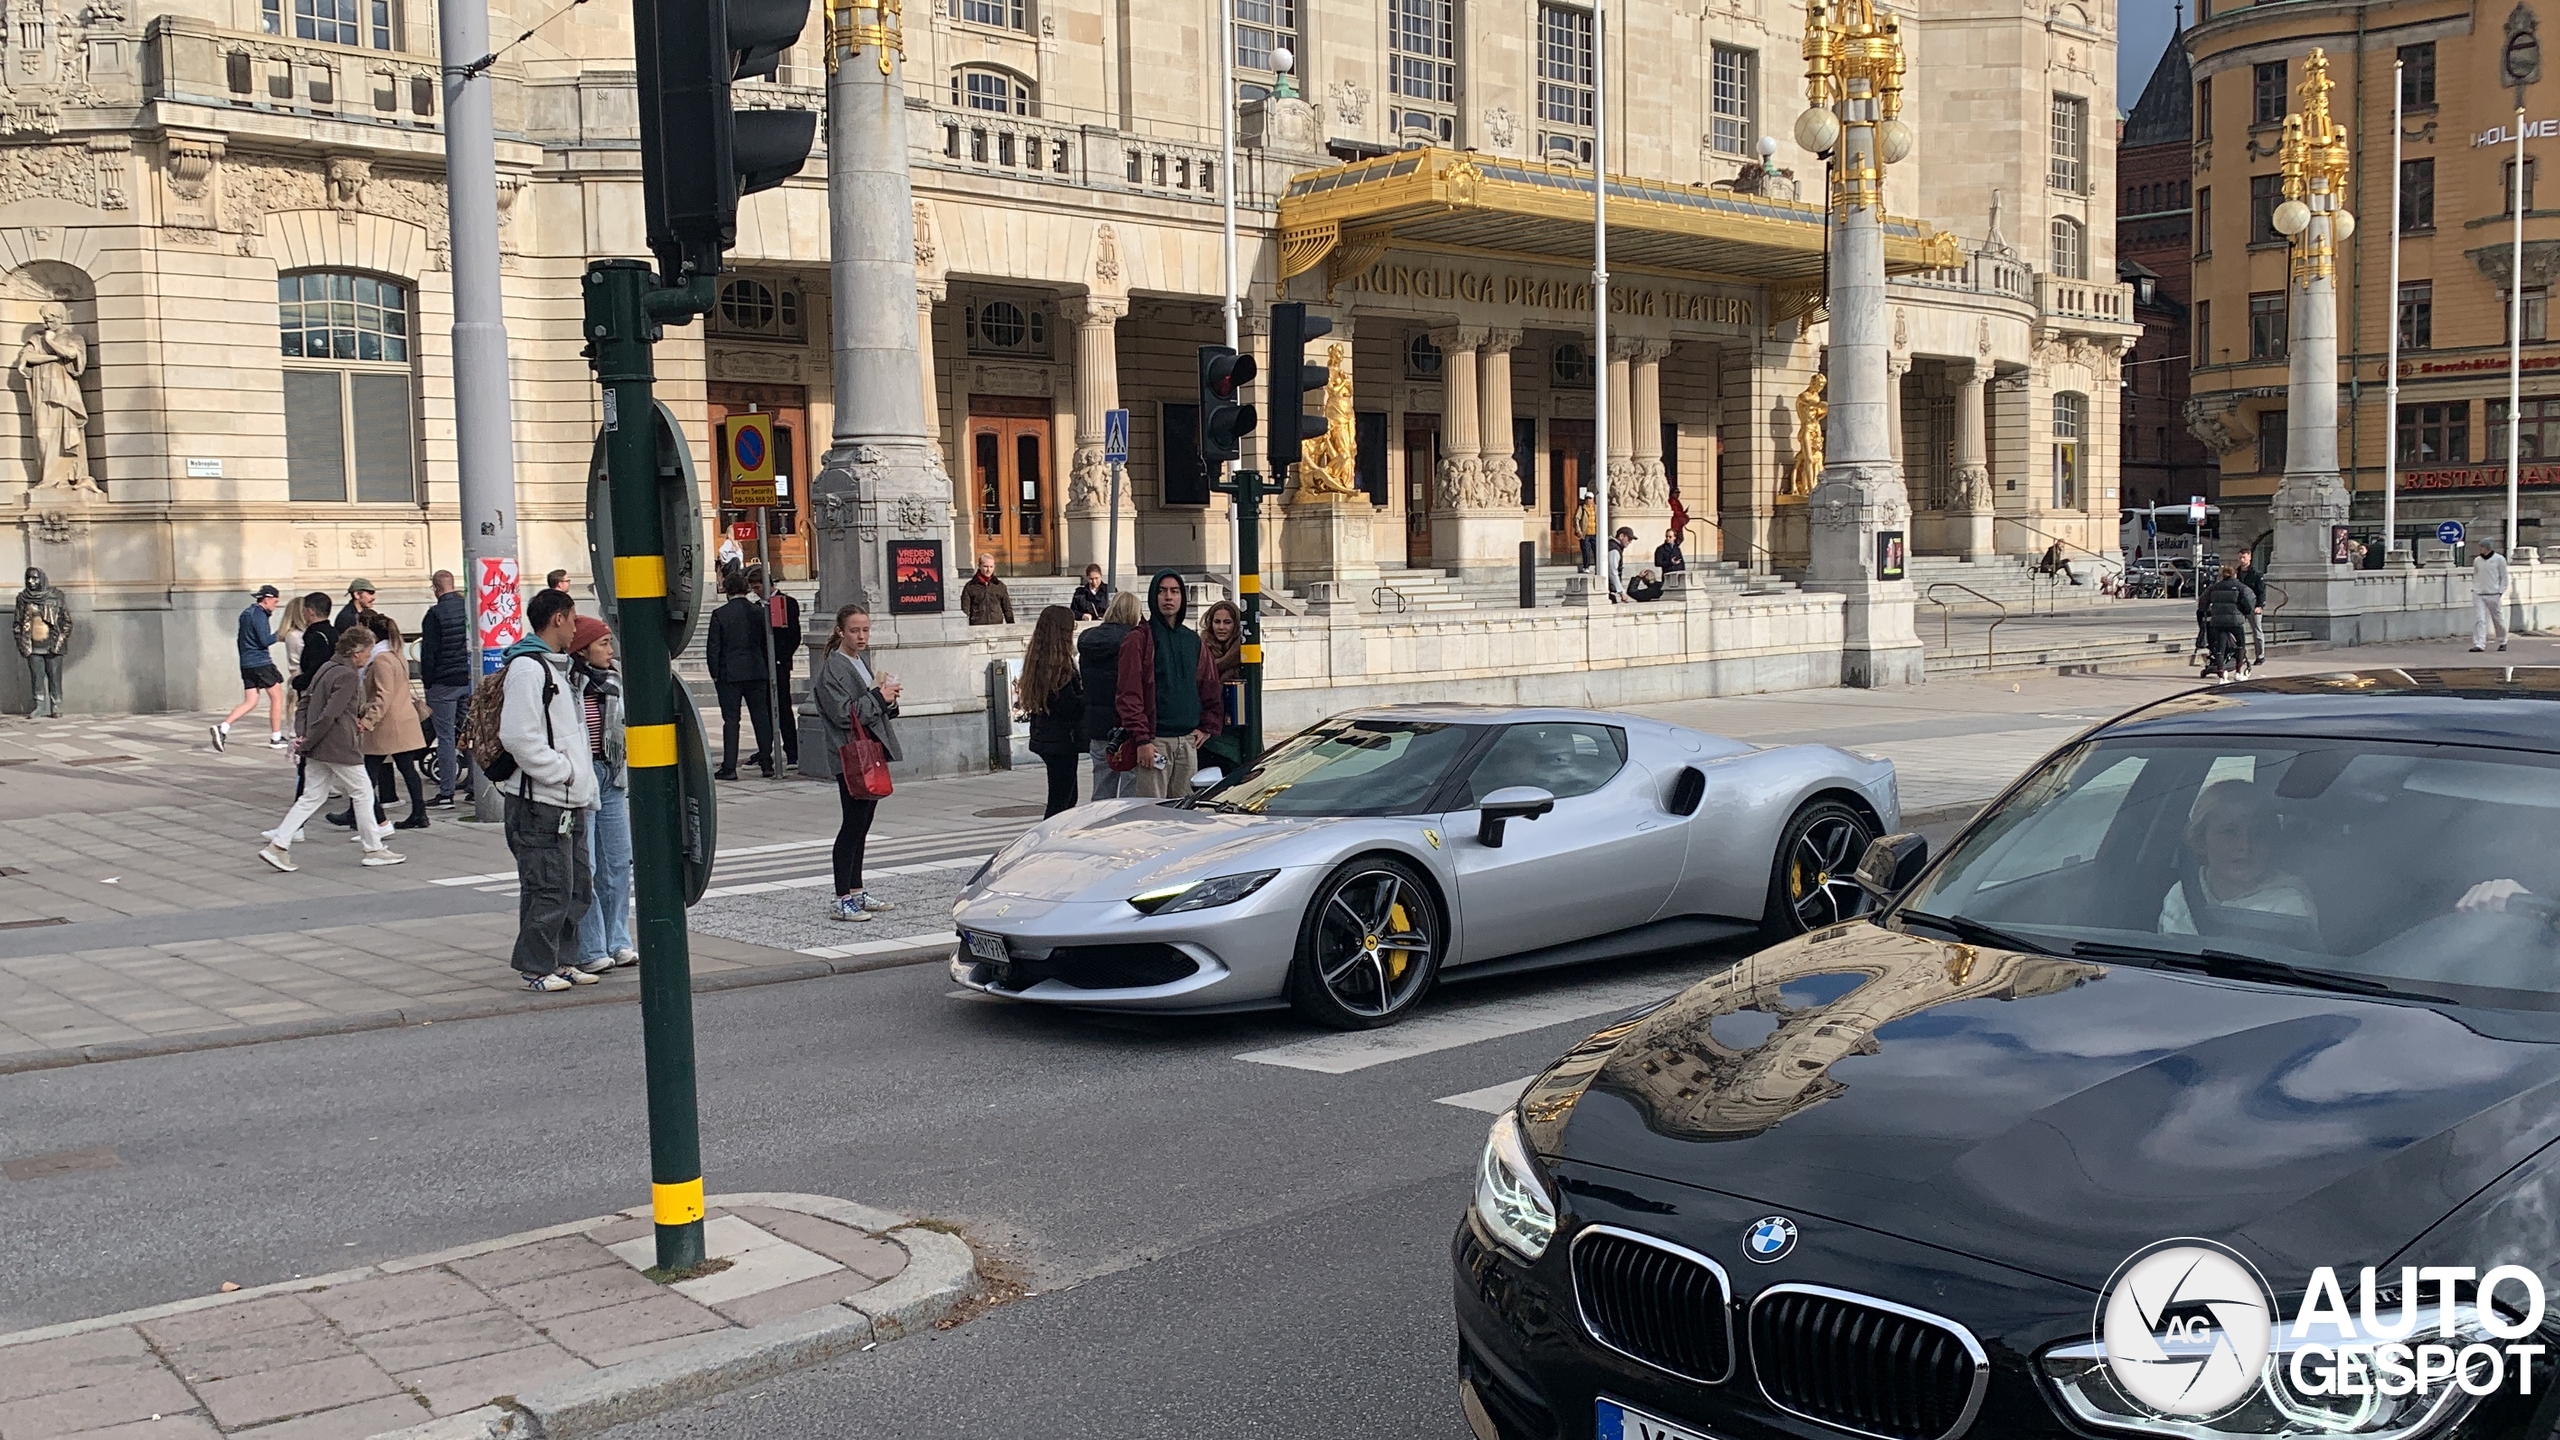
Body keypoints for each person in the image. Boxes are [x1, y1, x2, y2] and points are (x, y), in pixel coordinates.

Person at [498, 587, 601, 992]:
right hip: (539, 800)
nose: (576, 626)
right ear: (557, 618)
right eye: (573, 618)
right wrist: (564, 772)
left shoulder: (556, 667)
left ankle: (563, 960)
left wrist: (577, 781)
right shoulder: (529, 669)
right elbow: (520, 736)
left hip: (566, 799)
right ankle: (536, 967)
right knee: (548, 886)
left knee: (576, 885)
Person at [258, 626, 404, 872]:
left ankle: (279, 845)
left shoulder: (327, 667)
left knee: (311, 796)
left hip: (320, 747)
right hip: (339, 746)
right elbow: (330, 715)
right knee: (363, 793)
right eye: (367, 652)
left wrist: (303, 734)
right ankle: (373, 848)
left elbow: (306, 701)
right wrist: (309, 741)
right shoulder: (346, 676)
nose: (369, 657)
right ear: (356, 652)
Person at [810, 604, 902, 923]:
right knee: (852, 825)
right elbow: (844, 713)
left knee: (863, 825)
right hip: (850, 754)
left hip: (867, 752)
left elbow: (868, 707)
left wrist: (887, 699)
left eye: (865, 630)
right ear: (840, 631)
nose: (861, 636)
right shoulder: (834, 668)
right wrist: (879, 697)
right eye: (854, 630)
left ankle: (857, 890)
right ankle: (841, 898)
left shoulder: (859, 661)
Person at [1115, 569, 1224, 798]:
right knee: (1152, 814)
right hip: (1155, 742)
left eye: (1174, 591)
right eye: (1162, 591)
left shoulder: (1192, 640)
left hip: (1188, 743)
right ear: (1154, 596)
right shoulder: (1139, 639)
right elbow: (1129, 693)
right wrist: (1143, 739)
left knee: (1184, 813)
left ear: (1182, 597)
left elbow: (1209, 687)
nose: (1168, 597)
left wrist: (1207, 727)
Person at [2158, 780, 2316, 936]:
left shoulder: (2289, 908)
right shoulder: (2182, 893)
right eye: (2230, 832)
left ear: (2272, 843)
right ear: (2200, 840)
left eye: (2258, 834)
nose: (2244, 845)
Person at [569, 615, 636, 974]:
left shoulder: (613, 681)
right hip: (582, 775)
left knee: (618, 861)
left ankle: (619, 939)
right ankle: (591, 945)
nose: (610, 651)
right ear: (583, 649)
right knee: (588, 865)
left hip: (612, 774)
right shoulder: (568, 683)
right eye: (603, 644)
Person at [354, 612, 431, 831]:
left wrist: (368, 720)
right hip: (400, 720)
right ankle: (418, 813)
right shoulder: (395, 653)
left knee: (368, 772)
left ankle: (370, 817)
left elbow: (383, 695)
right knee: (405, 768)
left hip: (388, 724)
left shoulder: (381, 659)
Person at [705, 570, 775, 779]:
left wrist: (715, 673)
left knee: (731, 720)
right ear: (746, 589)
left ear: (727, 590)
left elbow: (713, 647)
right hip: (756, 670)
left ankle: (729, 767)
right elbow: (766, 643)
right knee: (761, 717)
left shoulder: (720, 614)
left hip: (730, 673)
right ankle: (766, 763)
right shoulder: (758, 611)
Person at [1079, 590, 1144, 802]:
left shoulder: (1088, 640)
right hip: (1125, 725)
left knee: (1102, 787)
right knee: (1130, 789)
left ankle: (1100, 829)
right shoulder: (1132, 641)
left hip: (1097, 725)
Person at [1020, 605, 1084, 818]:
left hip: (1048, 736)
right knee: (1061, 799)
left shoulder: (1041, 658)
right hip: (1060, 739)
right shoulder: (1058, 664)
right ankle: (1049, 841)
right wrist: (1088, 695)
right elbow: (1068, 706)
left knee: (1066, 795)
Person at [418, 570, 474, 808]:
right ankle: (474, 785)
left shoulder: (434, 615)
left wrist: (427, 682)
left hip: (443, 683)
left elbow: (428, 653)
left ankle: (446, 793)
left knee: (446, 737)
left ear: (435, 588)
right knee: (469, 733)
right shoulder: (468, 609)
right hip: (467, 679)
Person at [213, 585, 288, 751]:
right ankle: (276, 737)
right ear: (267, 600)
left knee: (251, 701)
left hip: (246, 663)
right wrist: (282, 633)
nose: (275, 606)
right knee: (277, 697)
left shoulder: (246, 613)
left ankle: (223, 727)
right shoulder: (259, 615)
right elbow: (264, 641)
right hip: (260, 662)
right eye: (275, 602)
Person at [752, 566, 802, 771]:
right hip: (761, 666)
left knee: (783, 708)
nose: (755, 591)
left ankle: (792, 752)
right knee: (763, 710)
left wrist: (781, 658)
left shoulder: (787, 603)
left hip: (779, 664)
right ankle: (765, 753)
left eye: (757, 587)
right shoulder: (755, 607)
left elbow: (794, 635)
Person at [1197, 599, 1246, 775]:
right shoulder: (1201, 650)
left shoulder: (1246, 653)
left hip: (1239, 730)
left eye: (1227, 622)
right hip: (1209, 733)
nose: (1221, 627)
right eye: (1217, 622)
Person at [13, 567, 69, 718]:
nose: (31, 582)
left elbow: (66, 622)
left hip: (52, 645)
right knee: (36, 677)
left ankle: (56, 706)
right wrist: (21, 643)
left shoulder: (56, 596)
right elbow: (17, 623)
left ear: (42, 579)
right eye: (29, 578)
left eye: (35, 578)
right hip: (32, 646)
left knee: (54, 677)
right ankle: (39, 706)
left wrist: (59, 641)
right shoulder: (22, 598)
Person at [2197, 564, 2254, 681]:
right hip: (2235, 620)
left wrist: (2208, 611)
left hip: (2218, 621)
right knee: (2240, 644)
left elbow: (2203, 602)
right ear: (2235, 574)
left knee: (2220, 647)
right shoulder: (2240, 587)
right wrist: (2244, 612)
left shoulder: (2215, 587)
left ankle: (2221, 673)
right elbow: (2249, 602)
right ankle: (2238, 671)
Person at [2473, 542, 2511, 653]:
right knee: (2479, 620)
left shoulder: (2499, 559)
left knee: (2497, 619)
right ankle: (2479, 644)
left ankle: (2502, 640)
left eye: (2482, 546)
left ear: (2488, 548)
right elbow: (2476, 574)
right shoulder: (2477, 560)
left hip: (2493, 593)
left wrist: (2500, 591)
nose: (2480, 549)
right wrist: (2475, 588)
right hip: (2478, 593)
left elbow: (2504, 577)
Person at [961, 553, 1015, 625]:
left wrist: (1011, 626)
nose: (988, 570)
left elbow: (1007, 609)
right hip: (977, 627)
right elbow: (965, 610)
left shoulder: (1000, 586)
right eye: (986, 566)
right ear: (979, 566)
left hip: (997, 626)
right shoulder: (970, 587)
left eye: (991, 567)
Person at [2234, 551, 2268, 665]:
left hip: (2253, 606)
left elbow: (2261, 591)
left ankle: (2260, 656)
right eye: (2240, 557)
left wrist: (2260, 605)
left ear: (2249, 558)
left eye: (2244, 557)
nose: (2241, 560)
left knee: (2257, 631)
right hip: (2239, 606)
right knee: (2236, 630)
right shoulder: (2236, 573)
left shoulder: (2256, 574)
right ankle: (2239, 655)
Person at [1606, 527, 1635, 601]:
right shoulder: (1614, 550)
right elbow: (1613, 572)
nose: (1630, 542)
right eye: (1629, 539)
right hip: (1608, 590)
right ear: (1621, 536)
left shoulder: (1613, 547)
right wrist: (1621, 592)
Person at [1572, 490, 1598, 572]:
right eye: (1587, 498)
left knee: (1596, 551)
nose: (1588, 500)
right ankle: (1586, 566)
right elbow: (1577, 519)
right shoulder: (1582, 508)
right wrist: (1578, 530)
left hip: (1595, 533)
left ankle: (1598, 566)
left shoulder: (1596, 508)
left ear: (1593, 499)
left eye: (1590, 498)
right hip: (1585, 533)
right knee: (1586, 551)